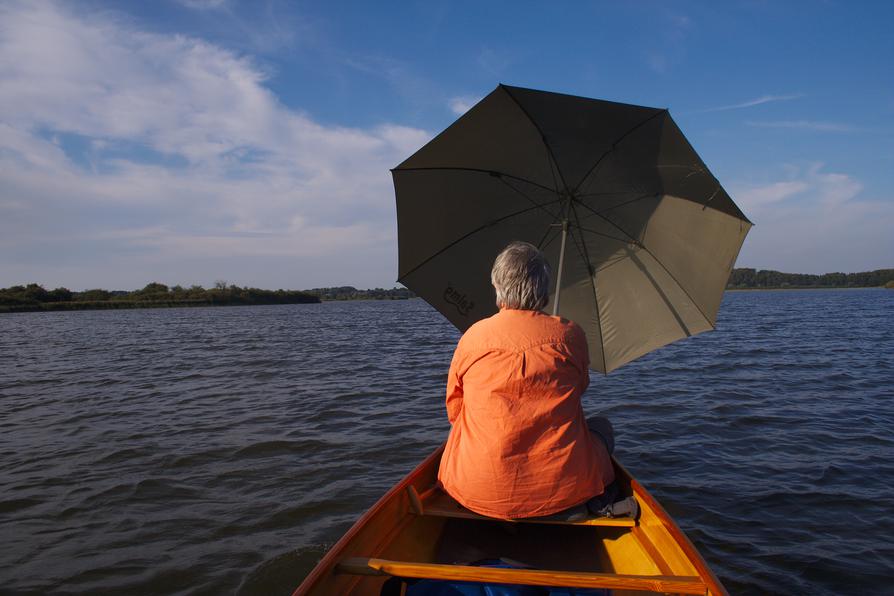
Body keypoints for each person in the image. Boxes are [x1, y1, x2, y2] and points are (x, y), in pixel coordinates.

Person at [437, 241, 618, 520]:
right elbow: (580, 388)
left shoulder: (472, 337)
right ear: (544, 289)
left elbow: (455, 410)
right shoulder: (571, 335)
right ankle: (584, 500)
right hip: (561, 488)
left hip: (476, 488)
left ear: (497, 285)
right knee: (602, 427)